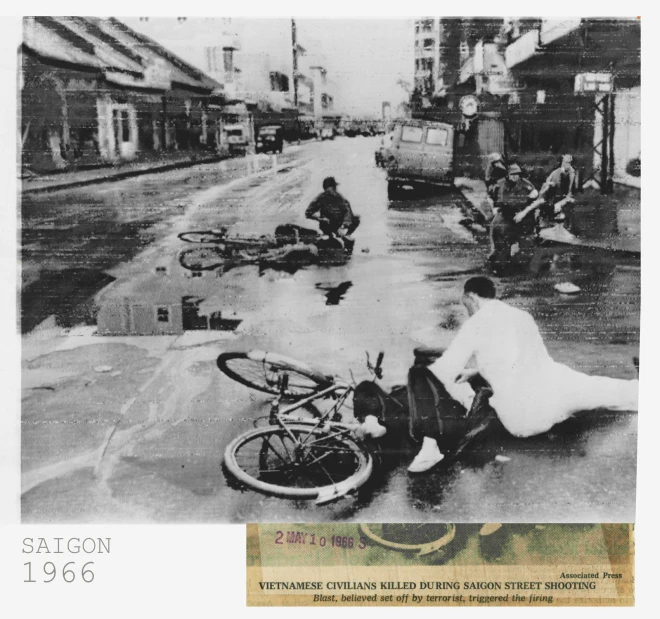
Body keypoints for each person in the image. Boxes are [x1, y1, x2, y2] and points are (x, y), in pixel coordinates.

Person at [359, 277, 639, 473]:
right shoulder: (521, 317)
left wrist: (410, 384)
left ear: (470, 297)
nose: (466, 310)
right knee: (598, 388)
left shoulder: (477, 322)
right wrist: (476, 371)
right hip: (552, 399)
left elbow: (444, 370)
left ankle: (430, 445)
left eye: (465, 304)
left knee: (419, 372)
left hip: (520, 419)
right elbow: (520, 361)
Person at [488, 164, 539, 273]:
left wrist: (524, 212)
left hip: (524, 216)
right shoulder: (502, 184)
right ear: (508, 175)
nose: (515, 177)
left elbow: (535, 201)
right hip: (508, 214)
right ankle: (499, 261)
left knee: (526, 241)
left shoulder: (526, 185)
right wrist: (496, 207)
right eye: (513, 174)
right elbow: (499, 199)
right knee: (498, 230)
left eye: (517, 174)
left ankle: (520, 264)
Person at [513, 155, 577, 229]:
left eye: (569, 163)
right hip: (550, 202)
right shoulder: (555, 176)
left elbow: (570, 194)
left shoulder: (572, 173)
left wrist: (560, 203)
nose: (566, 165)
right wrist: (524, 212)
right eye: (565, 162)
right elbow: (540, 199)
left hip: (564, 202)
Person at [305, 177, 361, 252]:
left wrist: (343, 227)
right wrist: (321, 219)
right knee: (355, 219)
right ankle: (338, 238)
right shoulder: (324, 197)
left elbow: (348, 214)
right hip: (330, 226)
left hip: (336, 226)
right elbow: (308, 212)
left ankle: (343, 237)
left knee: (356, 219)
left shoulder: (338, 198)